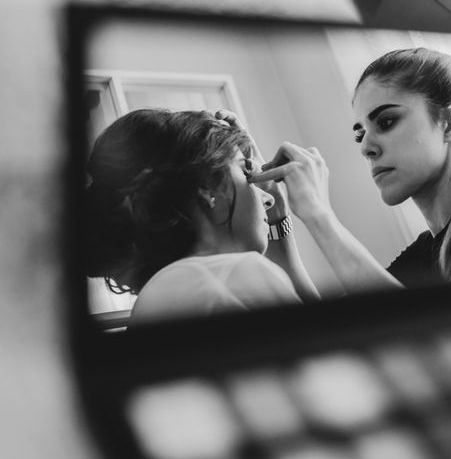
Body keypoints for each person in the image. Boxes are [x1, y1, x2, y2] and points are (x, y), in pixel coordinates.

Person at [249, 47, 451, 290]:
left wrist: (319, 213)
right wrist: (276, 215)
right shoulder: (422, 253)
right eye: (360, 135)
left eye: (386, 122)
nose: (366, 148)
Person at [85, 109, 318, 326]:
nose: (268, 199)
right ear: (208, 188)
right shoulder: (229, 278)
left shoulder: (164, 296)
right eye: (245, 171)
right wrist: (318, 214)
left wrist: (279, 221)